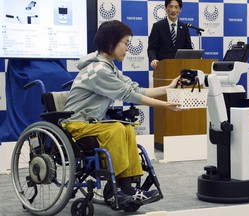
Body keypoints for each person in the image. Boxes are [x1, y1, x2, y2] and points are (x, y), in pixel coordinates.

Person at [61, 20, 181, 208]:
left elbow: (136, 89)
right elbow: (129, 95)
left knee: (126, 128)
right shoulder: (99, 70)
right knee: (116, 129)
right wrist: (165, 105)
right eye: (125, 42)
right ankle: (121, 188)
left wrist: (169, 87)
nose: (127, 47)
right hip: (76, 125)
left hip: (90, 123)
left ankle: (128, 187)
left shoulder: (109, 67)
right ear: (111, 44)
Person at [148, 0, 192, 69]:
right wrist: (153, 59)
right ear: (166, 8)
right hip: (163, 68)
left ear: (180, 9)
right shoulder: (158, 26)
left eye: (176, 7)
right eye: (170, 7)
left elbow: (188, 49)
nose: (173, 10)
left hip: (180, 68)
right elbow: (151, 48)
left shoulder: (184, 28)